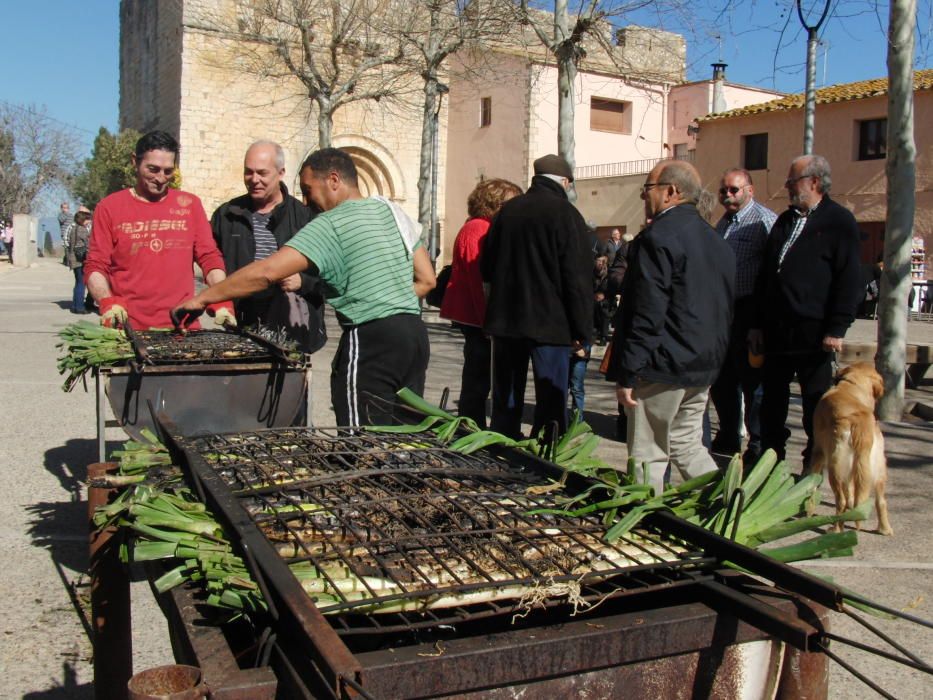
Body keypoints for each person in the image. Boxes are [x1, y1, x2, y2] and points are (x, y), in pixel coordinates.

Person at [172, 147, 436, 427]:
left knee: (364, 442)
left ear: (333, 180)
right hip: (414, 336)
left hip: (371, 342)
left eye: (309, 190)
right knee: (405, 439)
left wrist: (203, 299)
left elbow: (266, 272)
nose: (307, 201)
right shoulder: (390, 211)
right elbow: (427, 279)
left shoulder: (330, 224)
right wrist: (390, 303)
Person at [608, 160, 735, 495]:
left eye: (647, 189)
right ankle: (726, 505)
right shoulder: (716, 239)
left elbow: (646, 310)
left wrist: (629, 372)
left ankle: (644, 525)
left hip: (661, 366)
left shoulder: (658, 237)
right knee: (687, 445)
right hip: (702, 365)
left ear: (671, 192)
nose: (642, 197)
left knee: (648, 454)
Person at [749, 154, 862, 470]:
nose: (786, 187)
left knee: (816, 403)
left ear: (814, 182)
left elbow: (850, 278)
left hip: (814, 333)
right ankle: (770, 460)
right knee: (771, 400)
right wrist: (757, 325)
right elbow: (767, 275)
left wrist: (837, 328)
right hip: (777, 330)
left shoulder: (839, 222)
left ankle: (813, 464)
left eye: (792, 181)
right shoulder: (785, 221)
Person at [480, 154, 593, 440]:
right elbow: (577, 279)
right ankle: (547, 454)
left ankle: (501, 448)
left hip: (507, 321)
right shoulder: (567, 215)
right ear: (565, 182)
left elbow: (487, 267)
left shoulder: (507, 212)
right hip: (550, 325)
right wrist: (582, 329)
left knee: (506, 398)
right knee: (551, 401)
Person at [84, 131, 232, 330]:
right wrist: (106, 300)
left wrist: (220, 297)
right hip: (128, 329)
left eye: (168, 171)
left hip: (182, 327)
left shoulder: (189, 205)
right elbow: (96, 266)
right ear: (135, 162)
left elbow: (209, 257)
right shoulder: (109, 208)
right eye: (153, 169)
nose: (161, 178)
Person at [211, 140, 326, 353]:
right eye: (248, 172)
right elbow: (210, 262)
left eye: (262, 173)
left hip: (292, 329)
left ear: (281, 172)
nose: (254, 180)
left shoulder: (305, 217)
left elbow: (332, 273)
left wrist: (304, 281)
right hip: (240, 325)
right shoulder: (226, 215)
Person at [439, 178, 523, 428]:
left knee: (479, 374)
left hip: (477, 316)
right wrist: (487, 321)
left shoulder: (479, 226)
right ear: (495, 202)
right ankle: (470, 426)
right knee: (478, 377)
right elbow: (478, 281)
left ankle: (471, 423)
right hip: (477, 318)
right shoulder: (479, 228)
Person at [708, 168, 777, 464]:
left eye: (734, 190)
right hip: (723, 312)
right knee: (723, 381)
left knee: (754, 384)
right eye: (723, 190)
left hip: (751, 311)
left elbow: (773, 275)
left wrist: (760, 320)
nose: (727, 196)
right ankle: (728, 436)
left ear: (750, 190)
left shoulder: (764, 221)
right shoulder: (723, 223)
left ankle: (758, 443)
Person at [66, 211, 92, 314]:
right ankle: (80, 307)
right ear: (82, 220)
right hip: (80, 260)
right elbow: (88, 244)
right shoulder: (82, 230)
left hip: (74, 259)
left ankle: (75, 305)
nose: (89, 222)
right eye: (87, 219)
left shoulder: (74, 229)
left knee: (78, 283)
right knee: (81, 284)